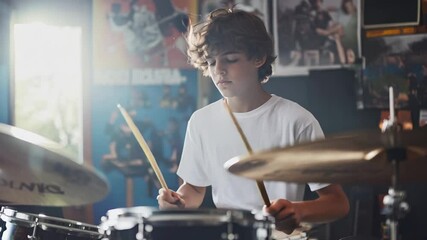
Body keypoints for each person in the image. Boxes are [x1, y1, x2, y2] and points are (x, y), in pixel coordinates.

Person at [157, 7, 350, 235]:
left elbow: (337, 203)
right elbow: (194, 189)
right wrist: (179, 201)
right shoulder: (201, 121)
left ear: (258, 58)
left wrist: (298, 211)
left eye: (230, 59)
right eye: (210, 62)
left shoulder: (297, 120)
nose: (219, 70)